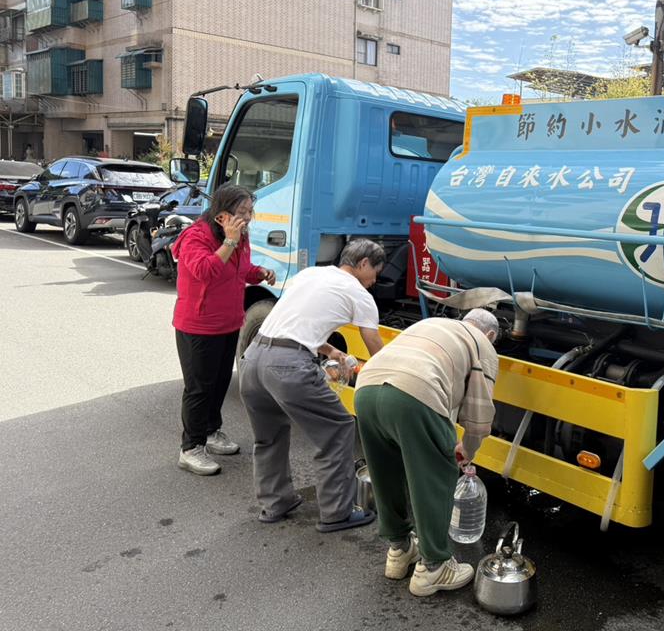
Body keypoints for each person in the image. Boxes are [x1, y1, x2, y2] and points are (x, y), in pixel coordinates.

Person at [239, 239, 386, 532]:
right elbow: (374, 344)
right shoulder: (359, 294)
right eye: (376, 273)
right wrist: (394, 374)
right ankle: (336, 513)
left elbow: (294, 322)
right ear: (364, 264)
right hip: (287, 367)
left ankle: (275, 503)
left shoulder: (310, 274)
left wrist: (331, 351)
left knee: (269, 436)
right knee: (337, 428)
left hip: (252, 358)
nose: (374, 281)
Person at [355, 309, 499, 597]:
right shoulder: (484, 346)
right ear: (492, 335)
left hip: (366, 389)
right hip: (415, 394)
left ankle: (399, 551)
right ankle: (434, 567)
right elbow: (480, 417)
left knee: (386, 474)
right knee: (435, 476)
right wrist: (466, 450)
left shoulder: (432, 323)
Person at [172, 184, 275, 476]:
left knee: (218, 383)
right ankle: (190, 448)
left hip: (229, 322)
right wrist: (230, 241)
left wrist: (259, 273)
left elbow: (238, 269)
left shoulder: (237, 238)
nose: (248, 217)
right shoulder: (195, 236)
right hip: (199, 325)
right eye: (242, 212)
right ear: (222, 214)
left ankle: (211, 431)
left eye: (250, 211)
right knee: (199, 388)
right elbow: (206, 270)